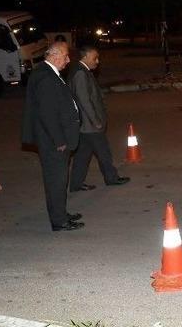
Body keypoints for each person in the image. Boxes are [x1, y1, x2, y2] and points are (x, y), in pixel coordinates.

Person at [21, 42, 84, 231]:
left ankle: (61, 213)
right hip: (53, 142)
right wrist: (60, 141)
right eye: (65, 56)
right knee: (56, 181)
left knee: (59, 180)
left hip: (55, 140)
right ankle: (59, 221)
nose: (68, 60)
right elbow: (47, 114)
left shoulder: (48, 73)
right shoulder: (45, 77)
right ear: (55, 56)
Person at [67, 45, 130, 192]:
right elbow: (84, 100)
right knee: (104, 152)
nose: (97, 61)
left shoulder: (81, 71)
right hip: (89, 125)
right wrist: (95, 120)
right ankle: (112, 178)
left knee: (82, 155)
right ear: (86, 56)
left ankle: (76, 184)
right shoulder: (80, 73)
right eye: (95, 57)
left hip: (84, 125)